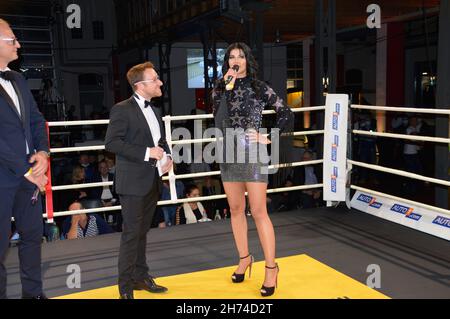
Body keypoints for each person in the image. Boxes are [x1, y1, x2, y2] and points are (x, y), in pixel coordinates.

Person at [211, 42, 294, 297]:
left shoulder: (259, 87)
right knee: (236, 209)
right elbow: (216, 117)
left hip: (252, 152)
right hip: (228, 151)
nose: (236, 60)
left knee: (258, 211)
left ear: (248, 60)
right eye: (231, 57)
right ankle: (244, 259)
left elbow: (286, 112)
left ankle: (271, 268)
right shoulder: (220, 87)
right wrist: (224, 87)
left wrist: (269, 136)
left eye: (240, 56)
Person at [105, 61, 173, 299]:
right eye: (155, 79)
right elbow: (112, 143)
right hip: (132, 183)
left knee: (142, 233)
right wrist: (148, 153)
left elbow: (160, 142)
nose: (160, 82)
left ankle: (140, 277)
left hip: (152, 180)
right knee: (132, 234)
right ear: (140, 85)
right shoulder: (122, 109)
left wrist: (167, 156)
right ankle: (124, 287)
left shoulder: (155, 111)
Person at [0, 19, 49, 299]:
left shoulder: (18, 78)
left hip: (28, 176)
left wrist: (43, 153)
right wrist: (25, 170)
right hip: (4, 177)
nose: (18, 45)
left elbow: (36, 120)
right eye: (12, 40)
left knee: (32, 237)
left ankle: (34, 294)